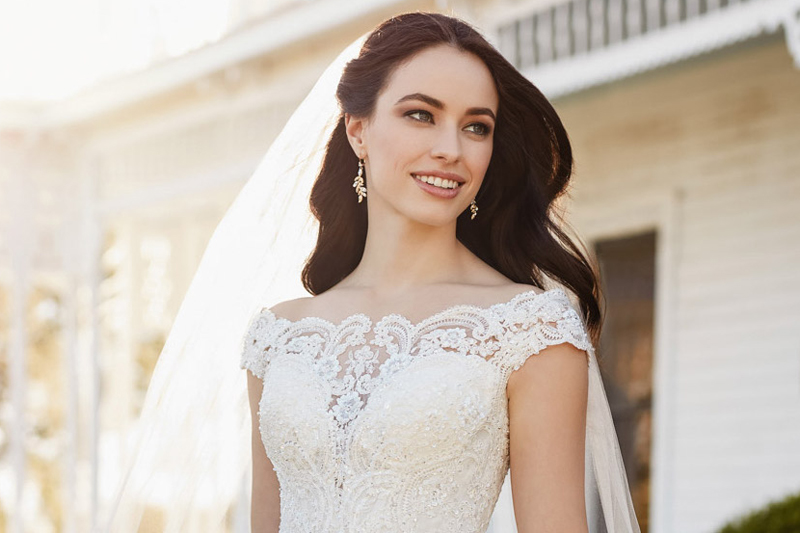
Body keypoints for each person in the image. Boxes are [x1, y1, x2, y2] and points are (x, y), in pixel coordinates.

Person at [104, 11, 640, 533]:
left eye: (476, 127)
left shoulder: (529, 330)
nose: (450, 149)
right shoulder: (280, 337)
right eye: (420, 115)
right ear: (358, 130)